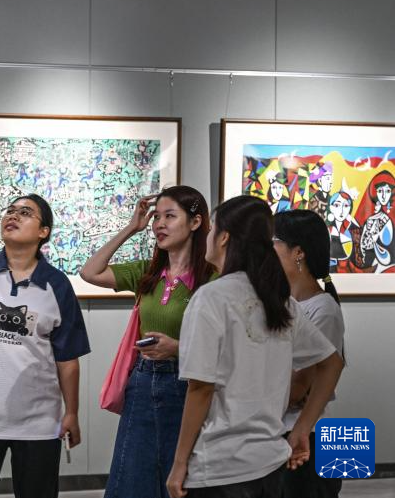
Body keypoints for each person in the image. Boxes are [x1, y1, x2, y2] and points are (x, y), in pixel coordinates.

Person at [167, 196, 345, 498]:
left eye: (211, 229)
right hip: (270, 463)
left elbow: (200, 389)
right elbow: (332, 363)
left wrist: (180, 462)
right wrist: (302, 429)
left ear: (224, 238)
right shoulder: (280, 300)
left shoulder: (211, 298)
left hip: (221, 466)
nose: (207, 237)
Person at [0, 194, 90, 498]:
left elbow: (67, 359)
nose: (13, 216)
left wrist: (72, 412)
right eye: (10, 210)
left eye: (25, 212)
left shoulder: (57, 284)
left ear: (43, 231)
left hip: (39, 422)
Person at [80, 185, 215, 498]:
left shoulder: (212, 278)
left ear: (195, 222)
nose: (159, 225)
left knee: (181, 482)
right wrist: (132, 228)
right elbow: (90, 272)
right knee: (130, 480)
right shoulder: (148, 272)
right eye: (156, 217)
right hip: (142, 382)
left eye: (170, 216)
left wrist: (177, 348)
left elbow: (225, 347)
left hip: (189, 385)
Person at [273, 209, 346, 498]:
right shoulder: (282, 303)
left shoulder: (323, 309)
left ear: (298, 252)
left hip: (305, 436)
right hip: (279, 431)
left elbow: (299, 386)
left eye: (274, 242)